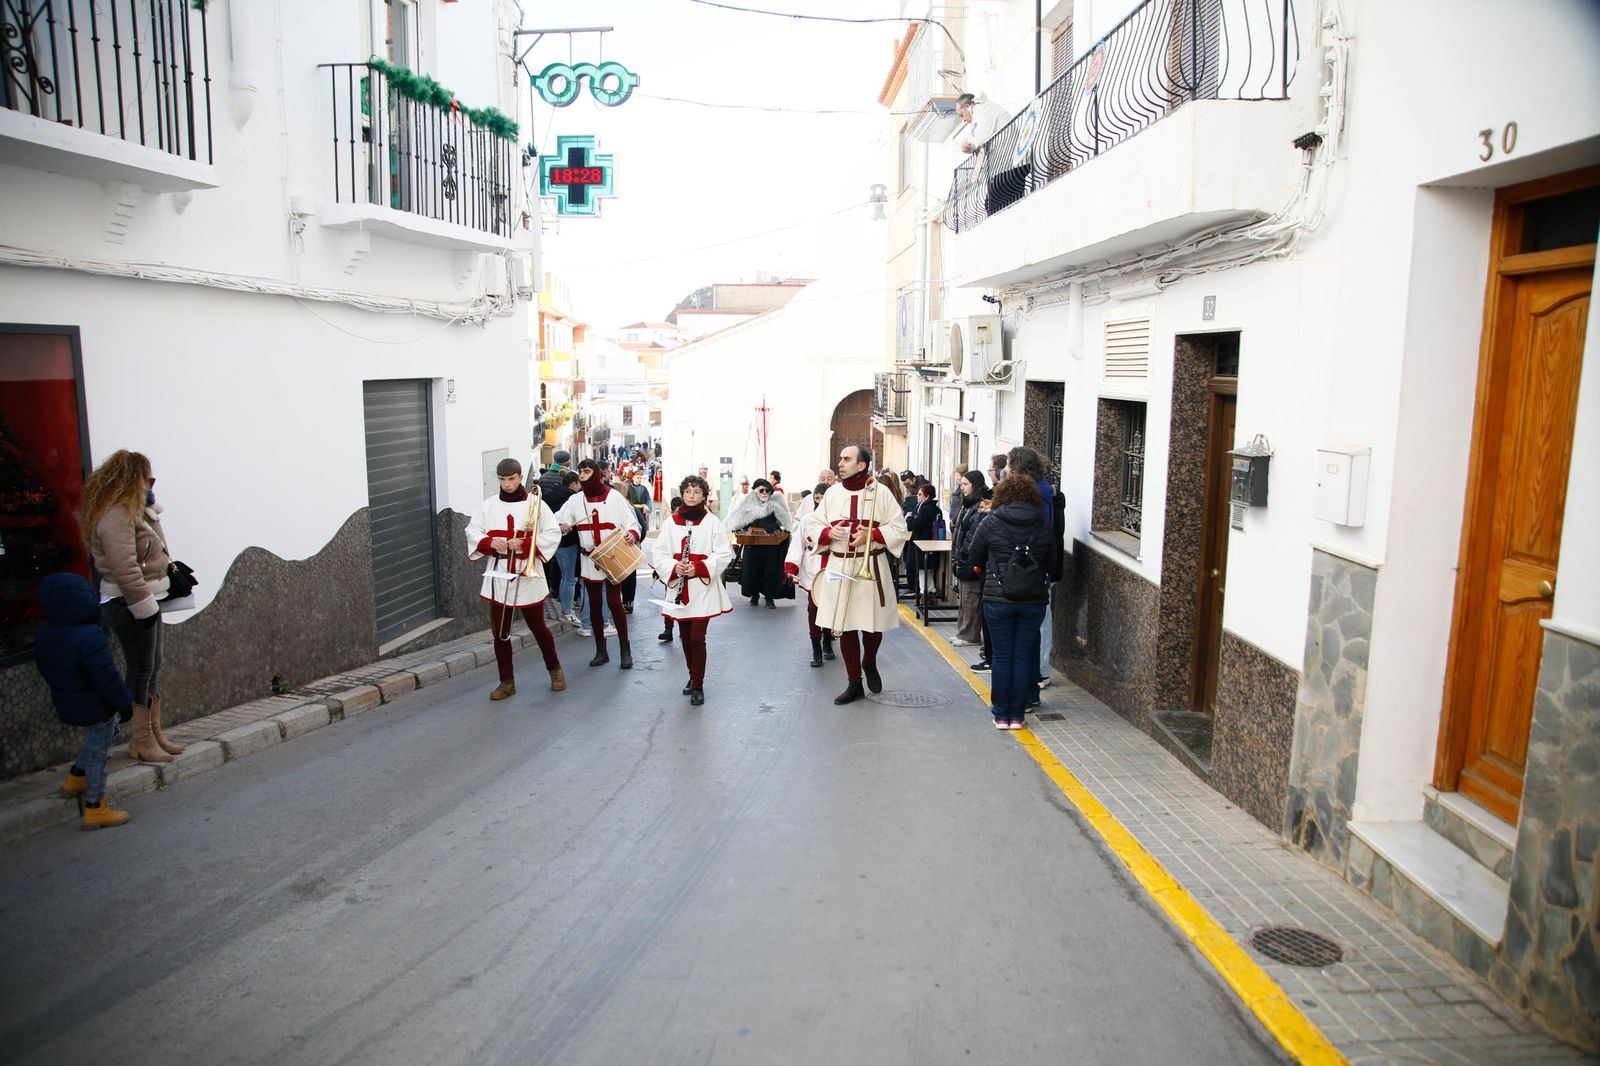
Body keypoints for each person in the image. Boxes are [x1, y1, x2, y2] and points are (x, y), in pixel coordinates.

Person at [81, 449, 182, 764]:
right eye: (147, 478)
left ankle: (153, 732)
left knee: (153, 666)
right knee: (140, 669)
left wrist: (151, 509)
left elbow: (156, 550)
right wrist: (145, 607)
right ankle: (140, 740)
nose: (151, 485)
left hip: (145, 599)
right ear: (131, 477)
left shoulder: (135, 511)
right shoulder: (117, 514)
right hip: (129, 603)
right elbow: (123, 567)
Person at [805, 444, 910, 704]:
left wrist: (871, 535)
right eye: (840, 458)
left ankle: (869, 660)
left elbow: (899, 527)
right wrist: (830, 533)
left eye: (846, 459)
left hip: (870, 565)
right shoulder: (831, 493)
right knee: (845, 624)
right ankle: (854, 683)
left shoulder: (881, 492)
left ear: (861, 465)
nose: (840, 463)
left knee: (872, 624)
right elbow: (813, 525)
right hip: (839, 566)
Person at [35, 572, 135, 829]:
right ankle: (95, 807)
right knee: (100, 751)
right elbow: (107, 677)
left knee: (94, 742)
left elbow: (44, 667)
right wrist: (124, 702)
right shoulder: (90, 636)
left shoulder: (47, 634)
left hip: (69, 703)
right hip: (97, 705)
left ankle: (76, 778)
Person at [466, 458, 564, 700]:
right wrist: (490, 543)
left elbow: (552, 532)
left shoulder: (536, 505)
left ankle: (555, 671)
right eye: (502, 479)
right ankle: (506, 681)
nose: (507, 484)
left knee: (539, 628)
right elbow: (473, 530)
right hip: (500, 575)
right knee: (500, 632)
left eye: (511, 479)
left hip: (527, 574)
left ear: (520, 477)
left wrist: (528, 542)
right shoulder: (488, 506)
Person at [967, 475, 1059, 729]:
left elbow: (973, 555)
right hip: (1033, 600)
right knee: (1022, 655)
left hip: (998, 597)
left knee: (1003, 655)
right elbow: (1053, 564)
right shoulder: (1042, 525)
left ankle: (1001, 714)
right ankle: (1018, 715)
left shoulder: (991, 522)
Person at [651, 475, 733, 705]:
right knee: (685, 638)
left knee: (697, 638)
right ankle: (692, 675)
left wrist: (698, 567)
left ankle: (698, 685)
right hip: (679, 586)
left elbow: (724, 553)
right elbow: (659, 553)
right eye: (688, 491)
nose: (691, 495)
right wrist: (674, 566)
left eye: (696, 492)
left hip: (702, 589)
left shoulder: (713, 522)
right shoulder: (671, 522)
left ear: (704, 496)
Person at [556, 459, 639, 669]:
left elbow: (632, 524)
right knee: (593, 605)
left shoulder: (614, 497)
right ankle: (601, 650)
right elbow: (558, 519)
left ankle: (624, 650)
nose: (582, 476)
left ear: (595, 473)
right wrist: (562, 525)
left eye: (586, 471)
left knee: (613, 602)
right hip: (589, 559)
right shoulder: (576, 500)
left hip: (611, 556)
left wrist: (631, 534)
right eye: (580, 472)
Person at [1008, 445, 1057, 693]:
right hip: (1033, 563)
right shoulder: (1042, 490)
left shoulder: (1038, 493)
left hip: (1034, 565)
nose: (1006, 469)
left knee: (1041, 620)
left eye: (1009, 464)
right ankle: (1037, 670)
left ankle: (1041, 671)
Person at [784, 481, 835, 667]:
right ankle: (816, 651)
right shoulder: (807, 519)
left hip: (833, 567)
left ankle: (827, 642)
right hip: (812, 567)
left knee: (829, 608)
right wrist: (791, 567)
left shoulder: (837, 520)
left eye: (823, 497)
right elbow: (797, 543)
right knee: (813, 609)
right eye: (817, 498)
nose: (820, 501)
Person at [956, 91, 1027, 216]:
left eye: (961, 115)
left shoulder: (982, 109)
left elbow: (980, 138)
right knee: (994, 206)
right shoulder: (983, 109)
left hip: (1008, 168)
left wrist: (966, 144)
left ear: (967, 106)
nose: (964, 120)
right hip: (1006, 168)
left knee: (994, 208)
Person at [727, 477, 793, 609]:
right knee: (754, 573)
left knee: (770, 573)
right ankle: (754, 595)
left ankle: (769, 598)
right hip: (753, 546)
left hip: (771, 547)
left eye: (767, 491)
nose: (764, 493)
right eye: (761, 490)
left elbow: (784, 524)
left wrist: (775, 528)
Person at [950, 471, 989, 647]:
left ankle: (970, 635)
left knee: (971, 598)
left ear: (975, 485)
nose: (962, 488)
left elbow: (973, 533)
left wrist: (965, 555)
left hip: (970, 558)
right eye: (961, 484)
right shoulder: (968, 504)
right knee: (964, 597)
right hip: (962, 556)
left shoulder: (981, 505)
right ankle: (962, 631)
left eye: (965, 484)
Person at [905, 483, 943, 608]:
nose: (917, 496)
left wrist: (909, 518)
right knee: (927, 570)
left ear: (927, 496)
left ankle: (924, 595)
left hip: (923, 542)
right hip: (925, 542)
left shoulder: (926, 508)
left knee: (922, 570)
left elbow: (916, 524)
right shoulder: (927, 507)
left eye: (920, 494)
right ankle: (931, 593)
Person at [658, 495, 684, 644]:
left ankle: (682, 629)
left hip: (686, 569)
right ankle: (668, 630)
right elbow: (661, 549)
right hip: (671, 568)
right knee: (669, 599)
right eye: (676, 511)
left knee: (682, 601)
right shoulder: (669, 524)